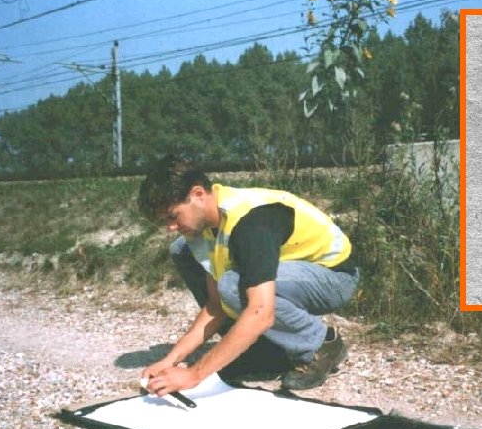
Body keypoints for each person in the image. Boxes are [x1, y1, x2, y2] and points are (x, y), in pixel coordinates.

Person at [138, 155, 358, 394]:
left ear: (198, 194)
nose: (171, 227)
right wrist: (171, 360)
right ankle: (260, 350)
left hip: (335, 277)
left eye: (173, 216)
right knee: (183, 250)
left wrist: (194, 374)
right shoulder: (208, 226)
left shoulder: (250, 223)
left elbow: (260, 312)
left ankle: (322, 344)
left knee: (232, 285)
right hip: (296, 274)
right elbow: (216, 307)